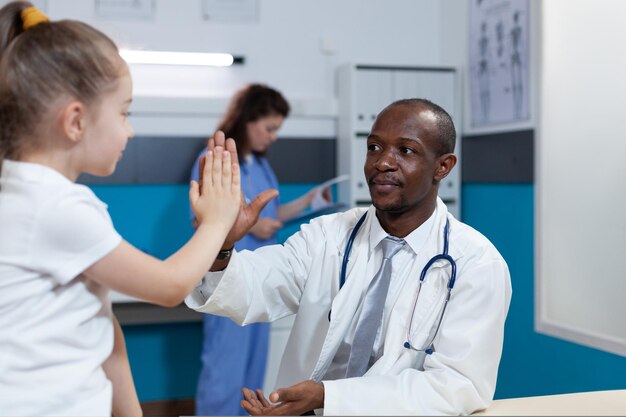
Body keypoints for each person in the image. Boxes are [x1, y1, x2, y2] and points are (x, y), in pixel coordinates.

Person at [0, 3, 273, 416]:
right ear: (76, 121)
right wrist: (216, 222)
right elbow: (168, 286)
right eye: (124, 113)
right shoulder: (54, 206)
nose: (129, 129)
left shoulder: (31, 195)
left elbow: (101, 325)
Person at [186, 98, 512, 415]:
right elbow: (252, 289)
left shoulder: (476, 263)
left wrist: (329, 397)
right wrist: (219, 242)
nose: (382, 162)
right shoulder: (328, 234)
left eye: (406, 150)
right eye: (374, 147)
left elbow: (456, 386)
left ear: (443, 166)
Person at [189, 83, 330, 416]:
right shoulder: (216, 161)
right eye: (269, 128)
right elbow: (207, 221)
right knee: (224, 370)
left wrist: (307, 203)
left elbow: (270, 214)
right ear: (247, 120)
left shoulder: (263, 166)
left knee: (253, 374)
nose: (273, 136)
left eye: (277, 129)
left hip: (261, 280)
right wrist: (250, 226)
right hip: (228, 277)